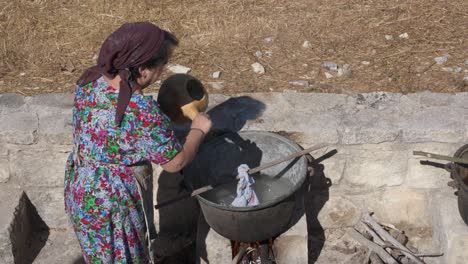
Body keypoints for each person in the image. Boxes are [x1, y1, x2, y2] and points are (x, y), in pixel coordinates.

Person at [64, 22, 212, 263]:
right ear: (143, 69)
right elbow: (176, 162)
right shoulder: (140, 110)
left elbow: (118, 130)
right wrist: (198, 130)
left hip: (82, 192)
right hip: (114, 205)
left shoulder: (91, 81)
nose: (161, 73)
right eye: (161, 67)